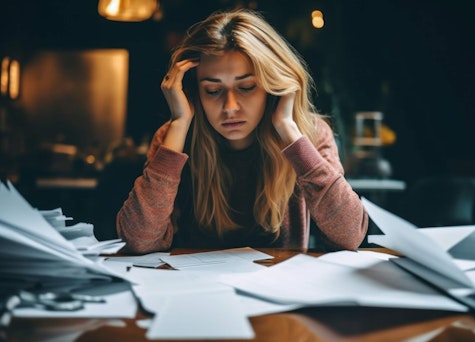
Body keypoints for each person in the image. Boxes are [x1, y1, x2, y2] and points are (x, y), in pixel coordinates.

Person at [116, 8, 368, 254]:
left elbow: (349, 235)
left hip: (282, 291)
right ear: (195, 92)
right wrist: (180, 122)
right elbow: (138, 239)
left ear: (273, 86)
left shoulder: (309, 134)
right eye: (213, 91)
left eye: (246, 87)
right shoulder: (174, 138)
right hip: (195, 291)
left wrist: (288, 129)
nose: (230, 108)